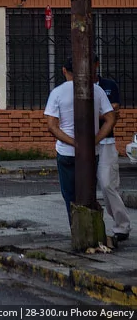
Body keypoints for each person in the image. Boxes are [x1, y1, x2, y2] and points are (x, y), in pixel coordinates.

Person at [45, 58, 114, 223]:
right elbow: (111, 119)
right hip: (91, 152)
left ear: (64, 71)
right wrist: (94, 140)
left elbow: (52, 126)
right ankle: (91, 227)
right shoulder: (96, 90)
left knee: (70, 195)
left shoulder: (58, 92)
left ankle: (76, 229)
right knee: (88, 192)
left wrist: (74, 143)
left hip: (66, 152)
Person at [95, 57, 130, 242]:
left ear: (96, 65)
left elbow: (114, 111)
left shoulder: (108, 85)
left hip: (106, 141)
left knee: (108, 184)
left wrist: (99, 114)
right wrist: (104, 114)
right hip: (83, 143)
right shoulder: (74, 87)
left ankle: (122, 226)